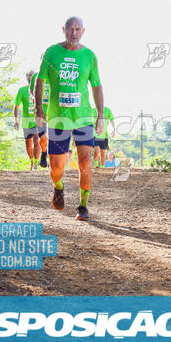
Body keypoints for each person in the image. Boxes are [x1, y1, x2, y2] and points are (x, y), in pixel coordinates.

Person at [35, 16, 104, 221]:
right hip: (58, 118)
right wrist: (39, 109)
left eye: (77, 29)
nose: (73, 33)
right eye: (70, 29)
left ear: (83, 31)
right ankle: (58, 187)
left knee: (86, 162)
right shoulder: (51, 53)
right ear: (63, 29)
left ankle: (83, 205)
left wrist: (100, 116)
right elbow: (40, 81)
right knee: (57, 167)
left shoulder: (89, 56)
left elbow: (97, 86)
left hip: (83, 117)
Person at [14, 71, 45, 170]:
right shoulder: (22, 90)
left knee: (37, 140)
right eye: (29, 75)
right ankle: (32, 161)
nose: (31, 77)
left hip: (37, 119)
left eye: (32, 75)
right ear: (26, 77)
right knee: (28, 144)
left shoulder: (41, 89)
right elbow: (16, 105)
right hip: (26, 121)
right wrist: (16, 120)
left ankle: (36, 163)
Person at [29, 70, 48, 167]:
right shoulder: (36, 76)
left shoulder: (57, 74)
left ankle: (52, 161)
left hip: (54, 111)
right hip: (40, 112)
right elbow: (31, 90)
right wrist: (33, 97)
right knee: (43, 138)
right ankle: (44, 152)